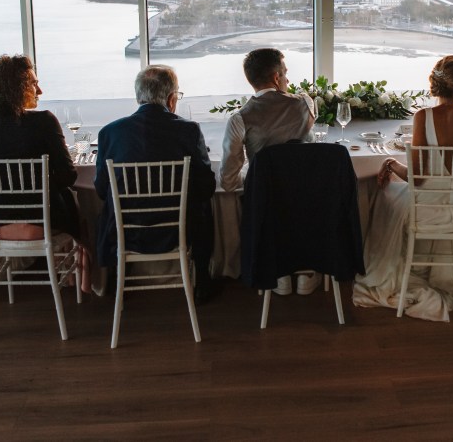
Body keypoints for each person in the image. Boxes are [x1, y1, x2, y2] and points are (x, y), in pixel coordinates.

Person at [353, 55, 453, 321]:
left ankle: (394, 270)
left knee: (385, 195)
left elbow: (417, 179)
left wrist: (391, 164)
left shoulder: (424, 117)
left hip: (424, 210)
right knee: (395, 196)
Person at [94, 65, 219, 304]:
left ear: (138, 97)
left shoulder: (109, 133)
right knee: (203, 205)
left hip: (126, 232)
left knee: (107, 208)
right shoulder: (188, 130)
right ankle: (202, 279)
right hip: (176, 230)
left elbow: (101, 190)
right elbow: (206, 186)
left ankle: (113, 277)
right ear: (172, 99)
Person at [219, 47, 317, 295]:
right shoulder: (305, 104)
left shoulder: (239, 119)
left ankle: (278, 272)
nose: (288, 79)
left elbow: (228, 181)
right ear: (276, 78)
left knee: (260, 197)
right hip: (307, 200)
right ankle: (307, 270)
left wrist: (255, 176)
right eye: (285, 73)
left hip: (266, 205)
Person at [0, 55, 80, 237]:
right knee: (72, 199)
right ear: (16, 88)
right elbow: (68, 176)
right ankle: (75, 261)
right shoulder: (45, 121)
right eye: (33, 84)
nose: (40, 91)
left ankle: (32, 265)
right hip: (46, 219)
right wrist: (41, 182)